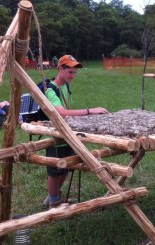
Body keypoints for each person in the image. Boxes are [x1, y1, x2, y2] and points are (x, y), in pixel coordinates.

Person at [41, 55, 108, 209]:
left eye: (74, 73)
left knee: (68, 165)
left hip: (68, 132)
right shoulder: (51, 90)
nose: (73, 76)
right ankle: (53, 202)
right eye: (70, 72)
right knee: (54, 169)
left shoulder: (66, 86)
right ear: (60, 69)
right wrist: (90, 111)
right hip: (55, 133)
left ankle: (54, 195)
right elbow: (62, 113)